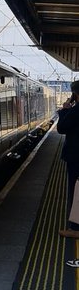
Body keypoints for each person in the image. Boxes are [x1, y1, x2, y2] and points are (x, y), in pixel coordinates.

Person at [57, 80, 79, 237]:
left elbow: (61, 128)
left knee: (76, 191)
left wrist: (65, 110)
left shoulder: (76, 110)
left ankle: (75, 229)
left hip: (76, 157)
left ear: (75, 94)